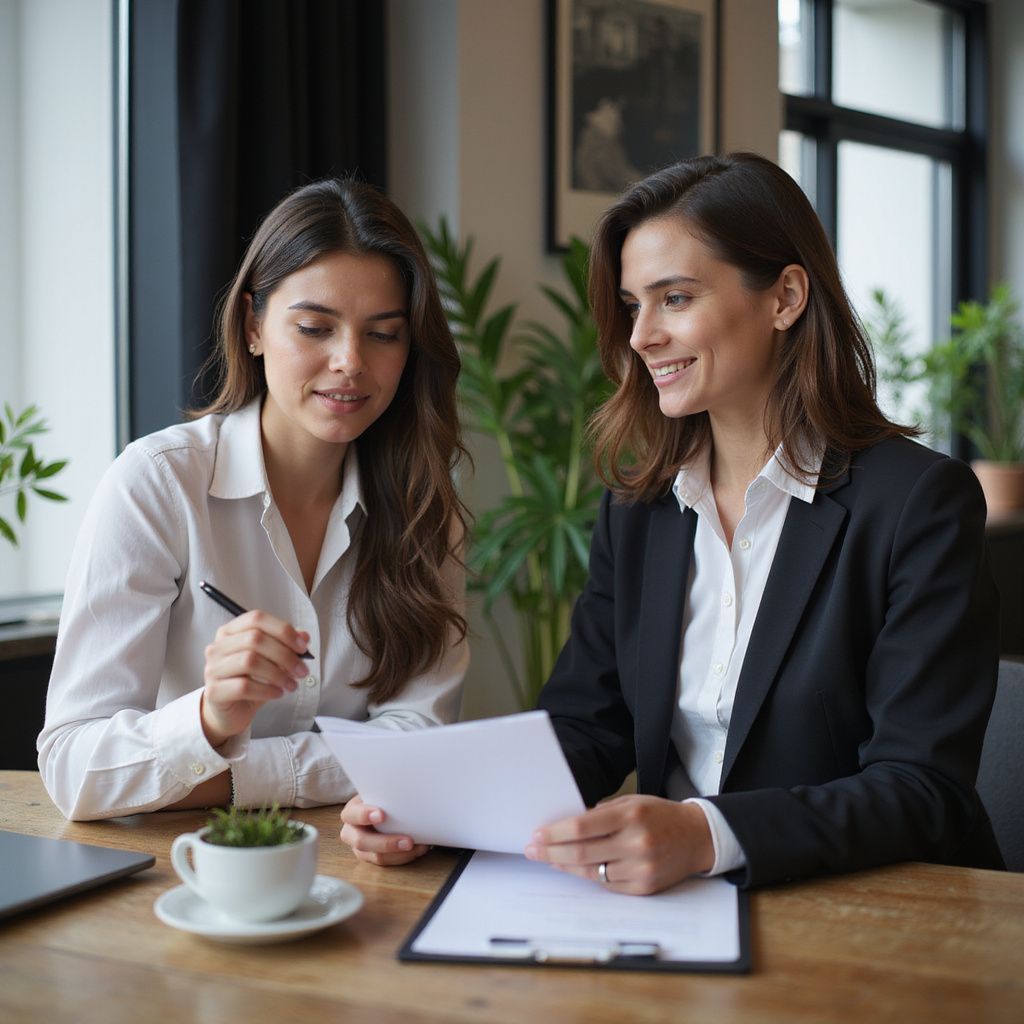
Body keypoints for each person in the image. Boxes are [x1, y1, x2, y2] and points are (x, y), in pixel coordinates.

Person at [522, 152, 1004, 893]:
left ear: (785, 297)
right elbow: (587, 725)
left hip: (869, 912)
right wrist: (437, 806)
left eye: (674, 298)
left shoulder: (920, 503)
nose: (640, 335)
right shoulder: (639, 511)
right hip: (678, 906)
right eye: (631, 306)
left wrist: (707, 835)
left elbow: (921, 786)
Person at [38, 178, 469, 824]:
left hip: (363, 865)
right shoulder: (156, 485)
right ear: (253, 325)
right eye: (315, 327)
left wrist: (228, 772)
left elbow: (419, 742)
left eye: (383, 334)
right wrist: (211, 718)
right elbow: (75, 769)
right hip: (182, 865)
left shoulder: (423, 506)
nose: (351, 361)